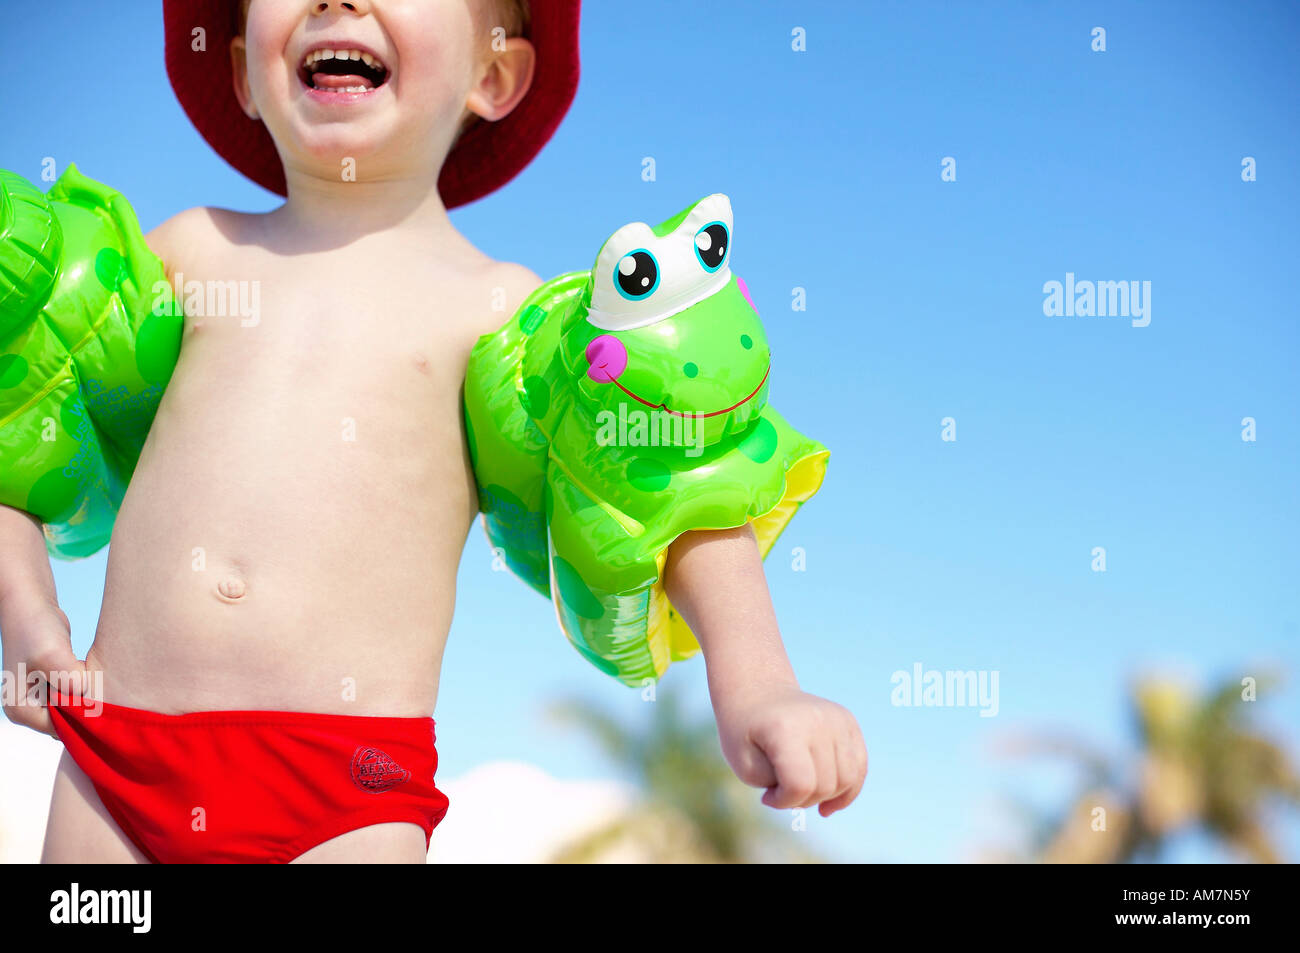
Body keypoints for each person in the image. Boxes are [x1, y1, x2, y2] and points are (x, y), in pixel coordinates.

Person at [0, 0, 866, 864]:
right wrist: (32, 622)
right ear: (241, 74)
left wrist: (760, 687)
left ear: (492, 74)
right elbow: (20, 439)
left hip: (349, 786)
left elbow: (663, 485)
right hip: (118, 756)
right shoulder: (189, 254)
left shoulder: (499, 314)